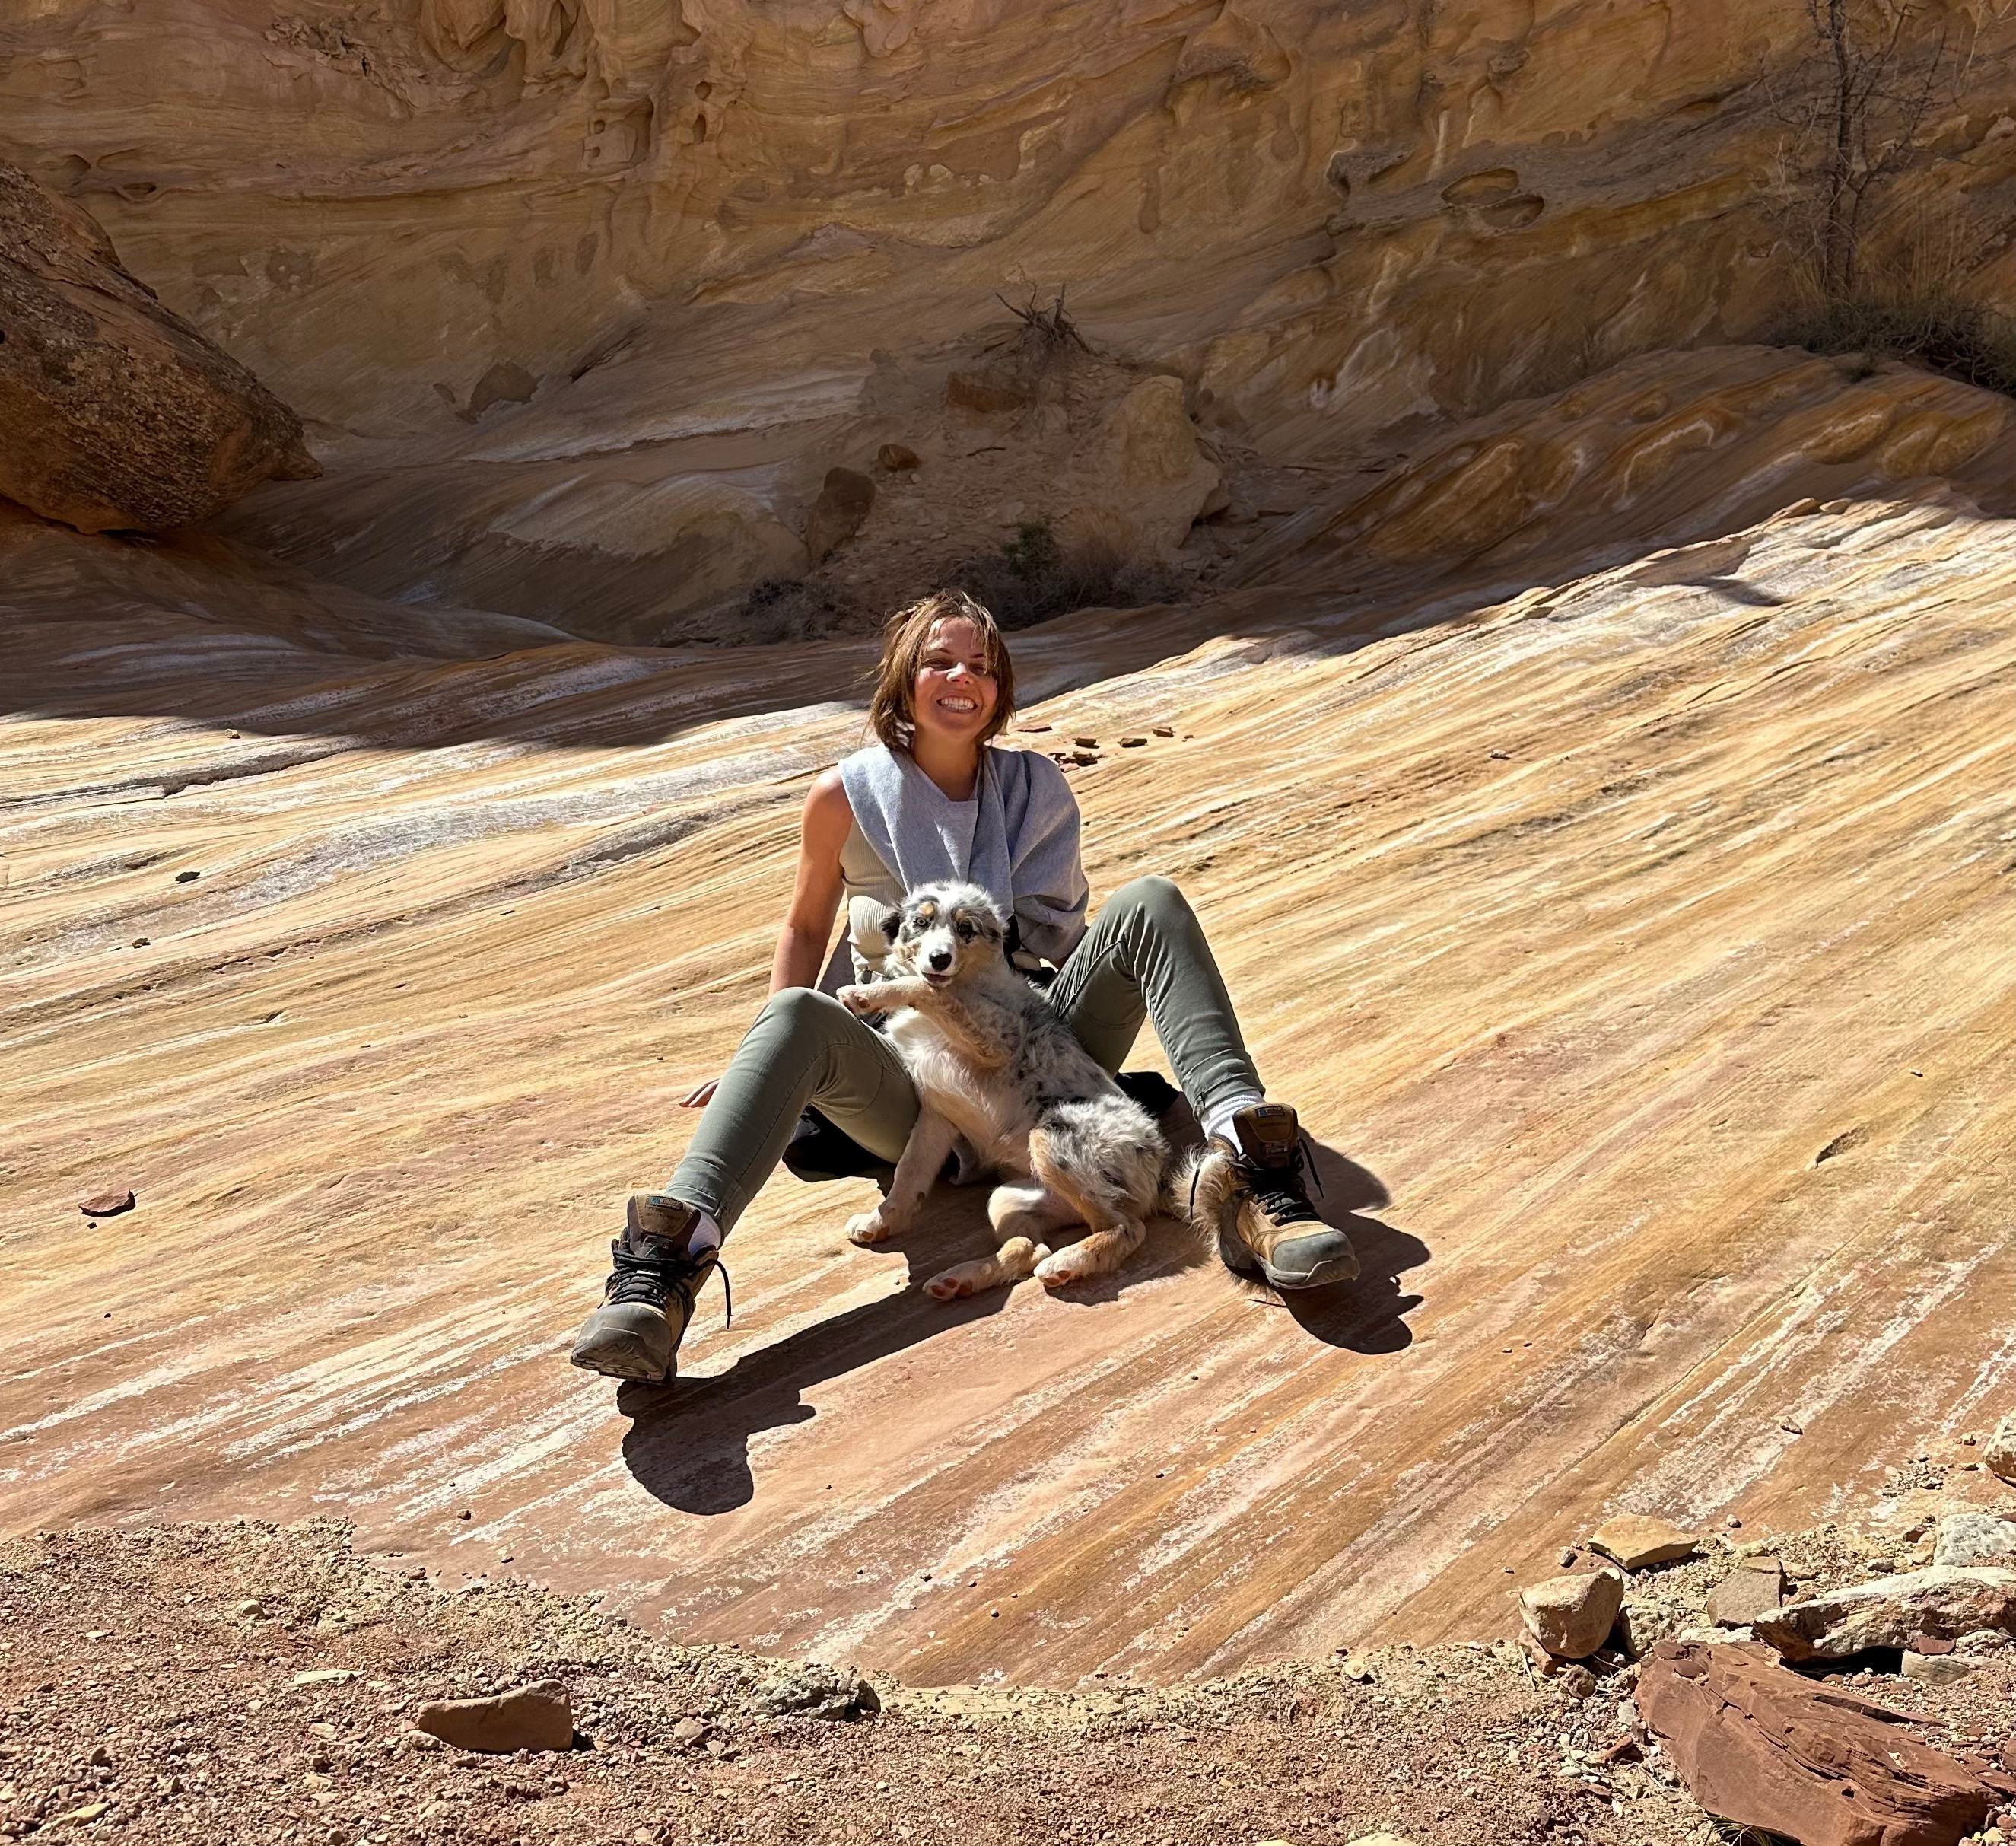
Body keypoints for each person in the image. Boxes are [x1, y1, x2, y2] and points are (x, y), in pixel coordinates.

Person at [571, 588, 1356, 1383]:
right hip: (913, 1078)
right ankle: (664, 1274)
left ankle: (1251, 1174)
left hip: (1034, 1044)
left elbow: (1062, 939)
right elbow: (805, 929)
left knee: (1151, 899)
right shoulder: (842, 796)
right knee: (796, 1012)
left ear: (1000, 687)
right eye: (939, 661)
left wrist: (1079, 1015)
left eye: (981, 666)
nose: (962, 678)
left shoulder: (1035, 787)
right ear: (903, 679)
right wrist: (759, 1057)